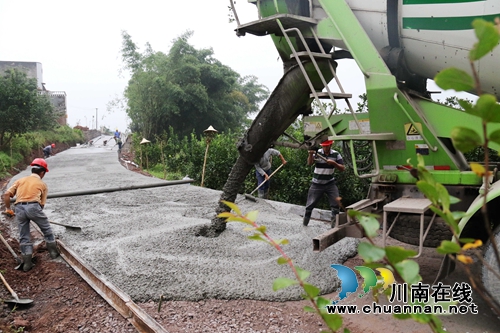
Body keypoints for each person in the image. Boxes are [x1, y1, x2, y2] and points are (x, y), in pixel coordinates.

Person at [2, 158, 60, 271]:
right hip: (34, 206)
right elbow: (41, 205)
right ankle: (53, 253)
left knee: (24, 236)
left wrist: (8, 208)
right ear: (42, 172)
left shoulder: (20, 180)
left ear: (33, 170)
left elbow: (6, 194)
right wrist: (34, 213)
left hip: (19, 208)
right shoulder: (42, 184)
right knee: (46, 230)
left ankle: (27, 263)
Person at [303, 139, 345, 227]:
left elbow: (342, 168)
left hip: (330, 183)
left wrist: (334, 163)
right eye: (324, 146)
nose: (326, 147)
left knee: (336, 204)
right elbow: (309, 163)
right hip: (316, 183)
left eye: (327, 146)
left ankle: (333, 226)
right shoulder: (317, 153)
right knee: (309, 205)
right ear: (322, 146)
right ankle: (305, 223)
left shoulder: (336, 154)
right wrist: (310, 155)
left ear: (330, 146)